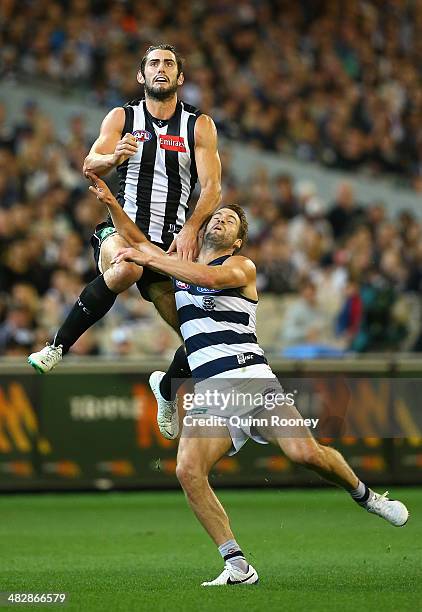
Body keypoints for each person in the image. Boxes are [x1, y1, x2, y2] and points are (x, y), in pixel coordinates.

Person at [88, 172, 409, 587]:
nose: (219, 220)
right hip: (211, 391)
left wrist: (149, 258)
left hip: (252, 381)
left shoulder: (240, 265)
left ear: (238, 240)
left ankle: (366, 496)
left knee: (305, 454)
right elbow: (136, 241)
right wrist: (113, 204)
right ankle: (237, 564)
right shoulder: (179, 262)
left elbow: (205, 279)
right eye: (216, 217)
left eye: (230, 220)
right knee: (187, 470)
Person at [28, 43, 221, 373]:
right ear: (141, 75)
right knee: (127, 266)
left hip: (168, 247)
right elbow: (90, 163)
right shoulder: (123, 117)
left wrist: (191, 228)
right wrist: (114, 157)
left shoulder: (198, 125)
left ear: (180, 77)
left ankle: (166, 390)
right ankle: (56, 347)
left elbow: (213, 189)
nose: (161, 68)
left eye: (168, 64)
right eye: (154, 63)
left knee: (202, 337)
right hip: (122, 232)